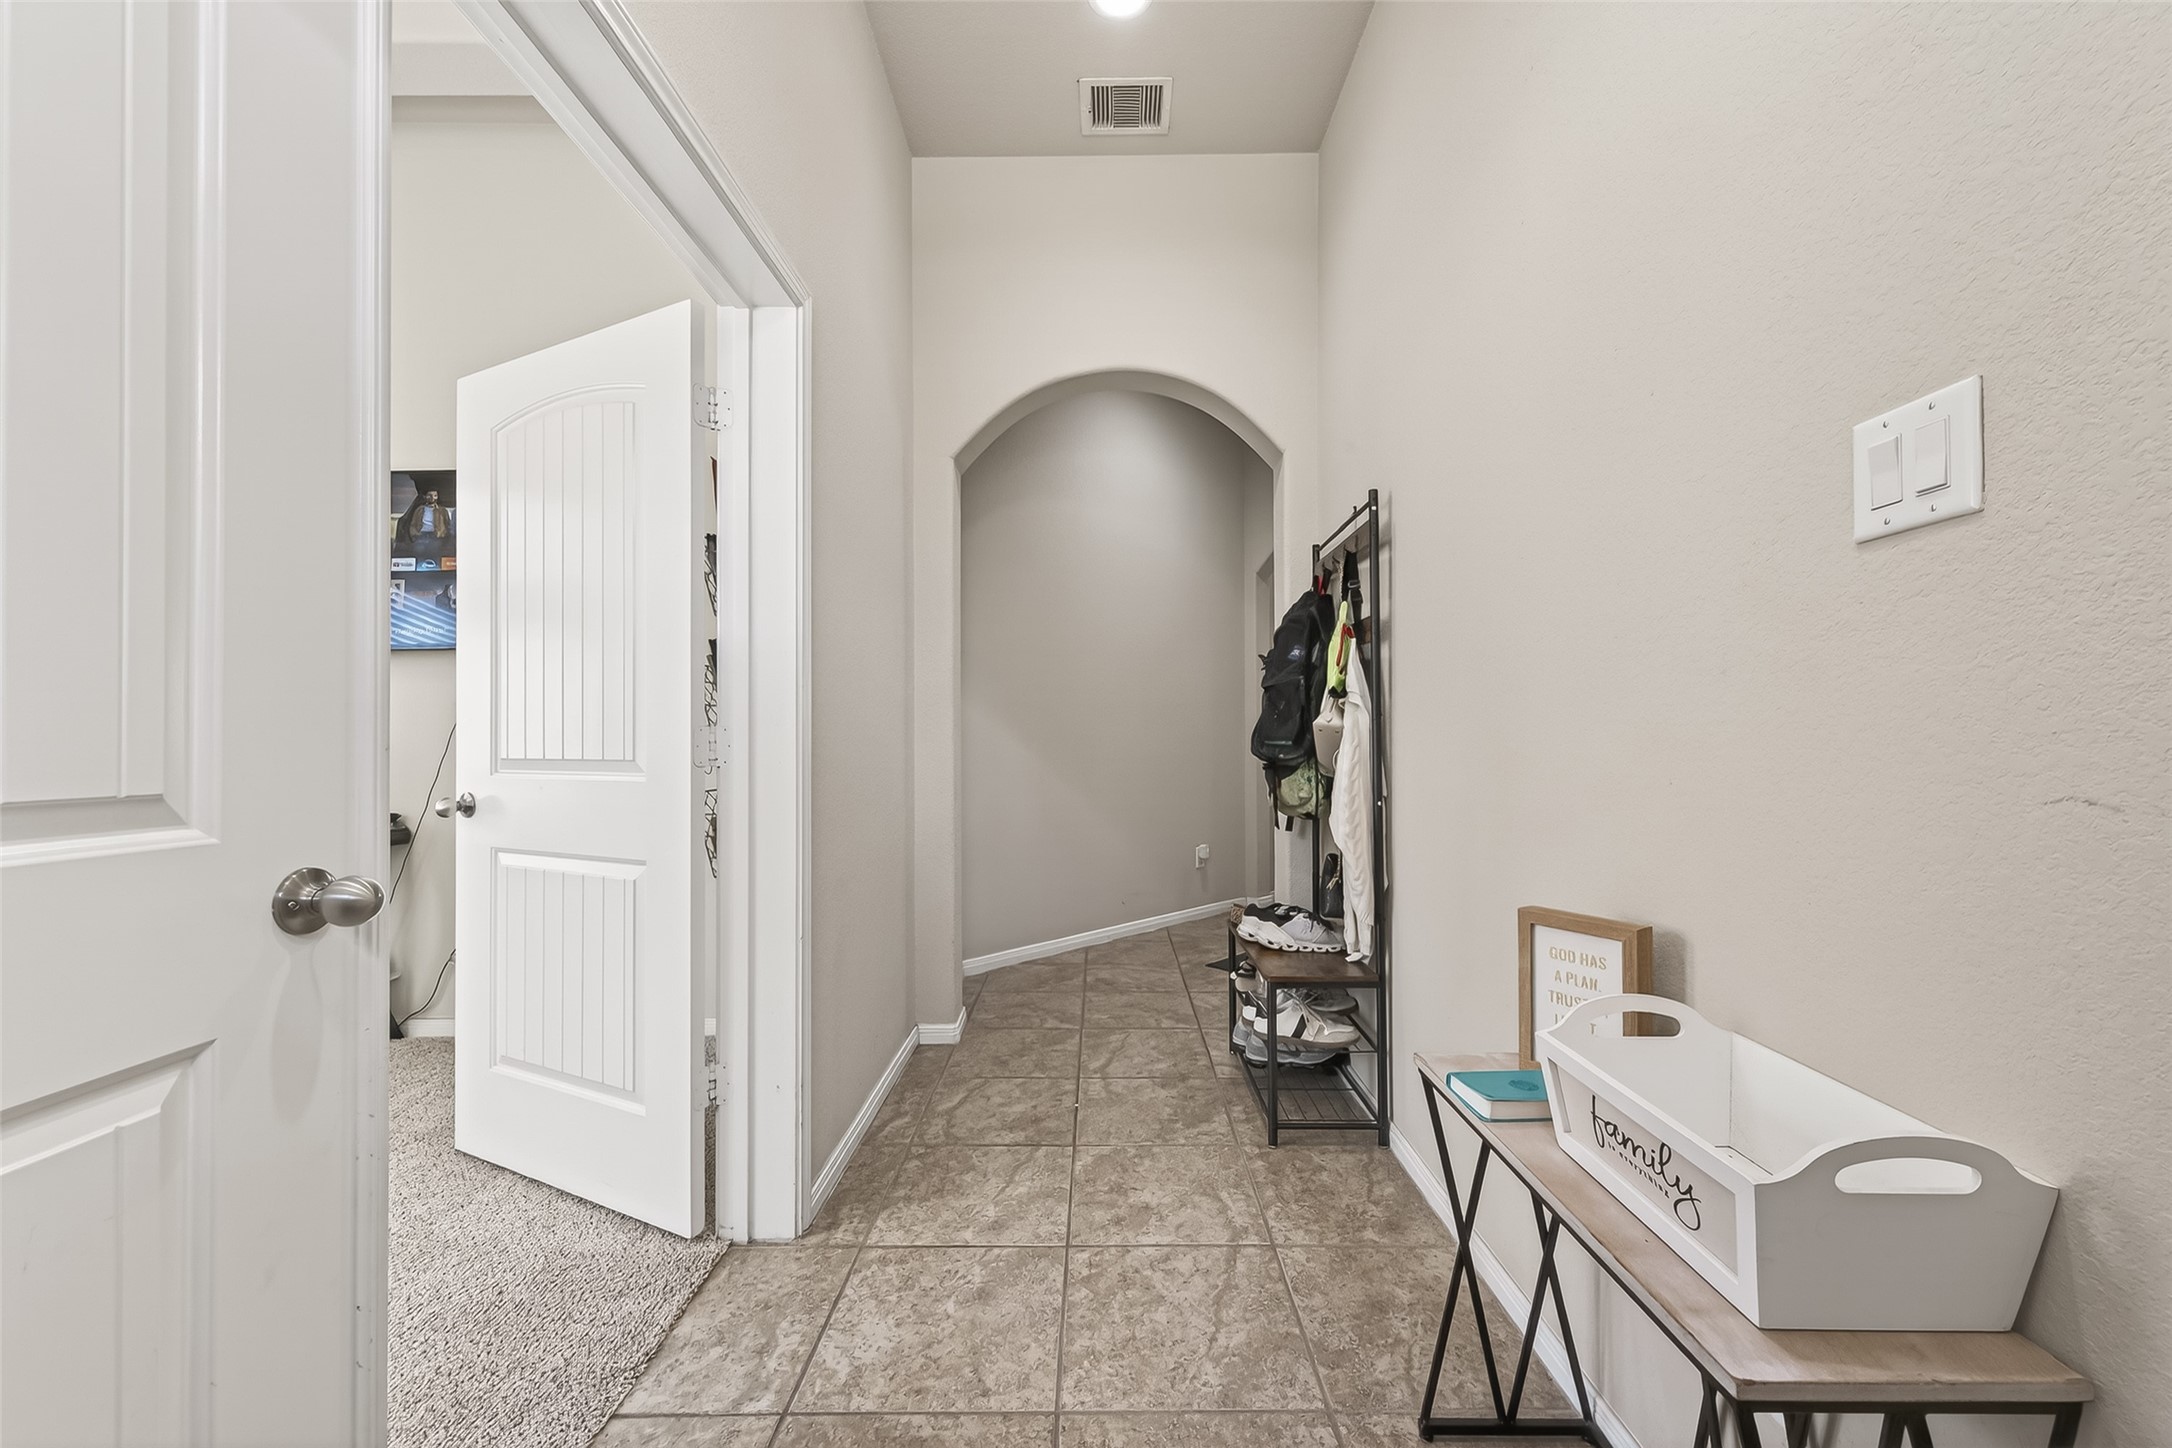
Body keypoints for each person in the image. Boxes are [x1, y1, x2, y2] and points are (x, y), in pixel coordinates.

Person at [396, 485, 454, 564]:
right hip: (421, 535)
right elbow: (413, 524)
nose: (432, 498)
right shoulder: (419, 509)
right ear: (425, 496)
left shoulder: (442, 510)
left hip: (436, 536)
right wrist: (415, 535)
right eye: (429, 495)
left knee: (435, 554)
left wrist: (443, 535)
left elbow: (447, 524)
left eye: (435, 495)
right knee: (418, 554)